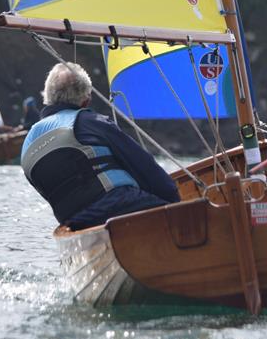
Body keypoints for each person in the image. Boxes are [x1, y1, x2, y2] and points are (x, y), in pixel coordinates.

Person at [21, 62, 181, 230]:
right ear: (86, 100)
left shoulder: (27, 145)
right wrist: (174, 199)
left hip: (75, 224)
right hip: (122, 205)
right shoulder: (91, 122)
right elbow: (144, 166)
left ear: (46, 97)